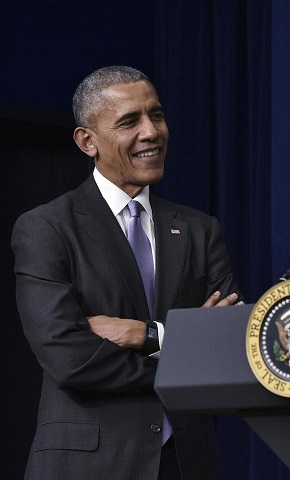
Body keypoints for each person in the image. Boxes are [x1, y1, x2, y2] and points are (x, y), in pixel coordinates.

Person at [12, 66, 243, 479]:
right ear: (87, 141)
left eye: (156, 115)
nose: (151, 132)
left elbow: (230, 345)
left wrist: (145, 334)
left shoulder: (199, 230)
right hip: (90, 464)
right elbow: (70, 359)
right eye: (129, 121)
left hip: (187, 463)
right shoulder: (46, 228)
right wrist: (183, 351)